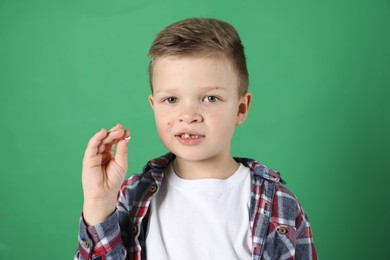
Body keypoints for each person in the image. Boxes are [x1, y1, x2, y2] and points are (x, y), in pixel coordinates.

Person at [75, 17, 318, 260]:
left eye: (210, 98)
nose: (188, 116)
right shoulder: (130, 197)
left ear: (241, 109)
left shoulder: (279, 205)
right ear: (154, 106)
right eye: (171, 100)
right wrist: (98, 202)